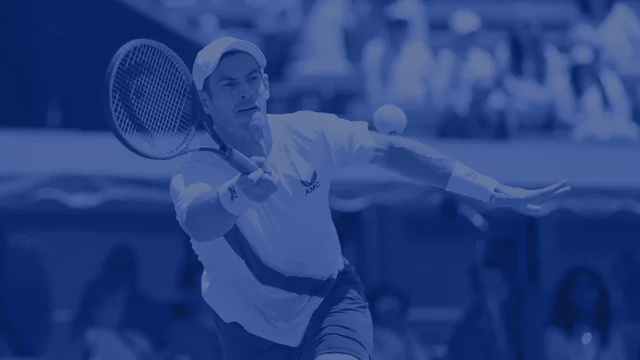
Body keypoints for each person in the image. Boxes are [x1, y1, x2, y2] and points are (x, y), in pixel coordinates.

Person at [170, 36, 571, 360]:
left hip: (330, 300)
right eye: (228, 84)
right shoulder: (196, 172)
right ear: (206, 103)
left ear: (268, 85)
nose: (245, 92)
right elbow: (197, 221)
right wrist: (240, 193)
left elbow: (390, 151)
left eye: (252, 78)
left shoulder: (309, 132)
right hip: (248, 330)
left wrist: (488, 189)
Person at [545, 266, 627, 360]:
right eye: (578, 288)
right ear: (567, 294)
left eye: (589, 288)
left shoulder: (612, 335)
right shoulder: (556, 335)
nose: (584, 295)